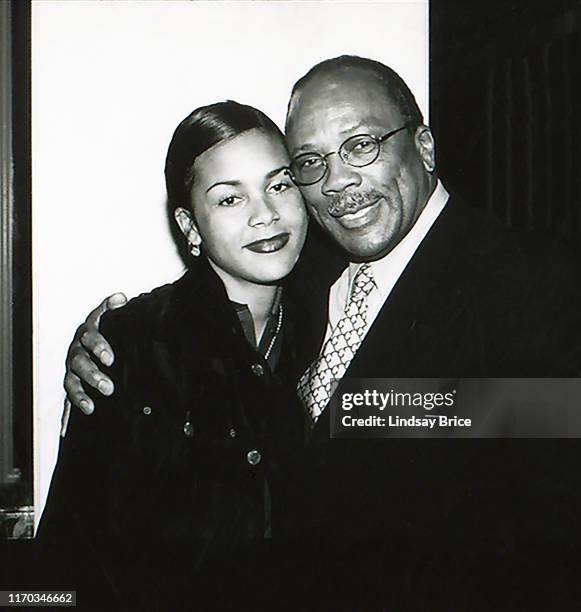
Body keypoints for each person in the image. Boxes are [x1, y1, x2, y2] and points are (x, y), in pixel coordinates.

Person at [61, 56, 581, 604]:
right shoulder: (306, 275)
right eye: (310, 162)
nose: (336, 183)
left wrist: (374, 409)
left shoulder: (537, 280)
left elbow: (548, 447)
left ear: (424, 146)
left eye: (361, 145)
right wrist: (118, 338)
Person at [38, 100, 309, 609]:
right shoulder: (134, 341)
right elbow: (69, 552)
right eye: (230, 199)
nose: (266, 214)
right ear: (189, 225)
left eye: (280, 184)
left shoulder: (336, 318)